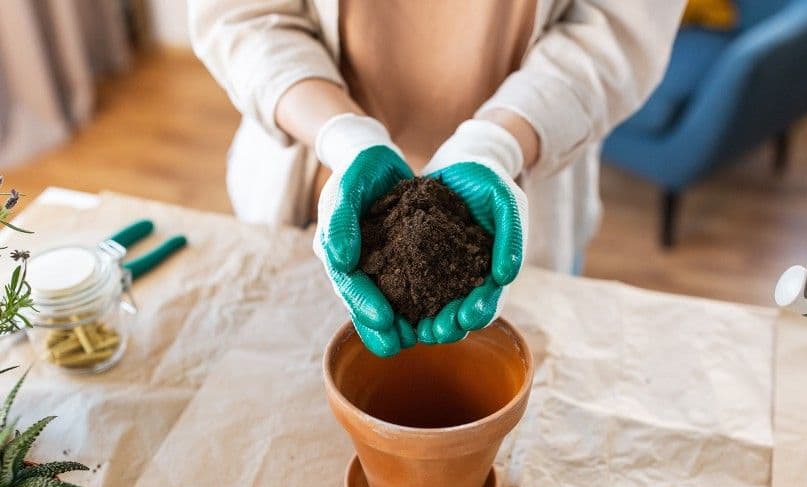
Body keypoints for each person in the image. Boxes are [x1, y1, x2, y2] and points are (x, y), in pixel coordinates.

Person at [189, 0, 684, 356]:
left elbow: (616, 33)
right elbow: (243, 17)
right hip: (319, 172)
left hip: (520, 174)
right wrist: (343, 136)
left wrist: (497, 144)